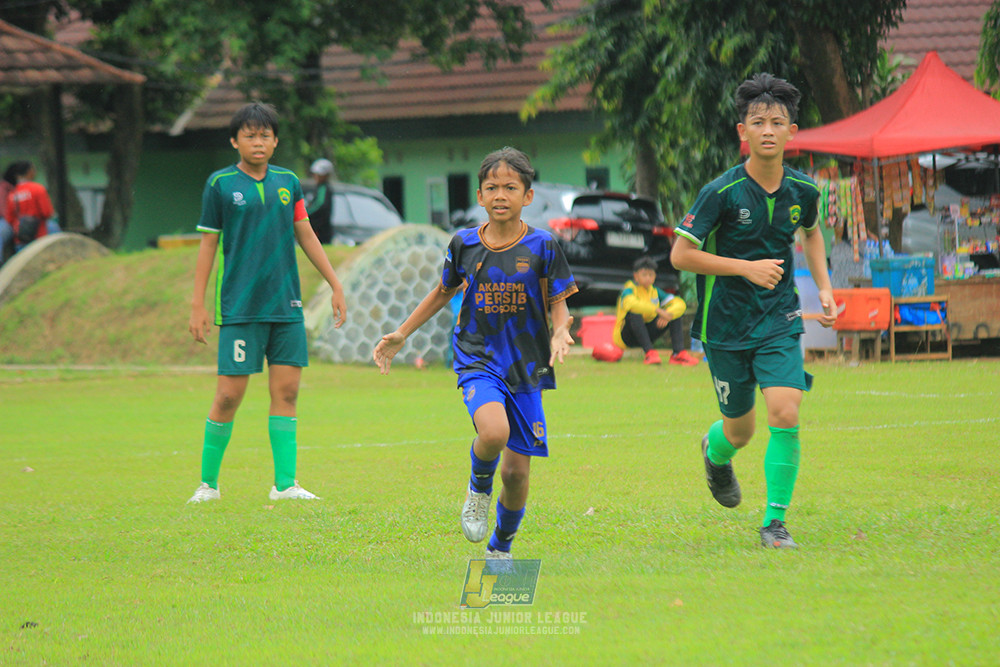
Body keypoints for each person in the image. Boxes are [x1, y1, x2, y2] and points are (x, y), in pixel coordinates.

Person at [373, 147, 577, 560]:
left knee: (517, 473)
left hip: (527, 364)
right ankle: (478, 490)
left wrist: (560, 332)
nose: (501, 195)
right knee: (494, 433)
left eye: (510, 187)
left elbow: (560, 301)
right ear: (480, 197)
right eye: (492, 187)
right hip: (478, 357)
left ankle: (500, 548)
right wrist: (401, 334)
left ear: (528, 196)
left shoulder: (544, 246)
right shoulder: (463, 243)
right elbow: (442, 291)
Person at [671, 73, 836, 549]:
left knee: (785, 411)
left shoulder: (804, 190)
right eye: (758, 121)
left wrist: (823, 288)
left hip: (778, 318)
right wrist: (744, 268)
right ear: (742, 131)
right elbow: (681, 255)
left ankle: (774, 523)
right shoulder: (719, 193)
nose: (768, 129)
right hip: (724, 325)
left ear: (791, 132)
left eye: (777, 122)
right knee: (739, 430)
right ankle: (715, 452)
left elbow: (812, 234)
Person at [187, 102, 347, 504]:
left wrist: (335, 284)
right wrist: (197, 304)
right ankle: (208, 485)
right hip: (240, 307)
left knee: (288, 392)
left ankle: (285, 485)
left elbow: (306, 234)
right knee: (228, 395)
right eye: (249, 135)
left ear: (275, 141)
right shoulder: (219, 185)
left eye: (264, 135)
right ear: (234, 140)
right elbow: (208, 246)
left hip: (286, 306)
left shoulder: (288, 182)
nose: (257, 142)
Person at [612, 256, 699, 366]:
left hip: (647, 333)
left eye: (651, 275)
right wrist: (658, 310)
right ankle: (650, 353)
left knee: (674, 314)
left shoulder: (655, 292)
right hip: (626, 337)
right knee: (635, 312)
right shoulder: (628, 290)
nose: (648, 278)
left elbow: (680, 303)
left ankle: (678, 354)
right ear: (636, 276)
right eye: (644, 275)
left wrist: (668, 315)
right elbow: (631, 304)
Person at [4, 161, 54, 251]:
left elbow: (9, 219)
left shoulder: (13, 193)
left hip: (20, 239)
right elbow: (47, 213)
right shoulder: (38, 189)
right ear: (29, 172)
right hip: (39, 237)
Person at [305, 158, 335, 244]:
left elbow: (319, 205)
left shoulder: (324, 188)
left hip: (321, 230)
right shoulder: (319, 188)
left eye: (319, 174)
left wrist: (305, 213)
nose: (316, 176)